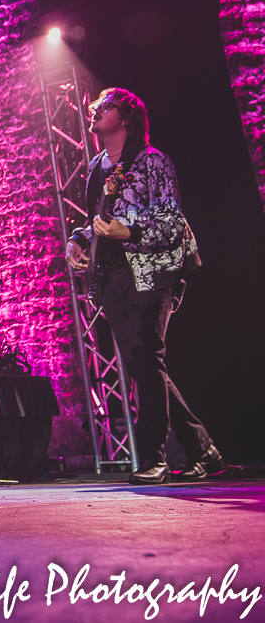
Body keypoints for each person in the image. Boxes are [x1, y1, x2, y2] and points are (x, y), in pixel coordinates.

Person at [66, 88, 222, 484]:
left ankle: (153, 457)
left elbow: (171, 221)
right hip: (115, 276)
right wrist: (79, 239)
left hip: (153, 271)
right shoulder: (97, 166)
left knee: (146, 355)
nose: (96, 109)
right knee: (140, 363)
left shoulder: (153, 162)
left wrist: (129, 230)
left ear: (128, 118)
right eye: (96, 105)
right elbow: (99, 220)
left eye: (107, 105)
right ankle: (202, 447)